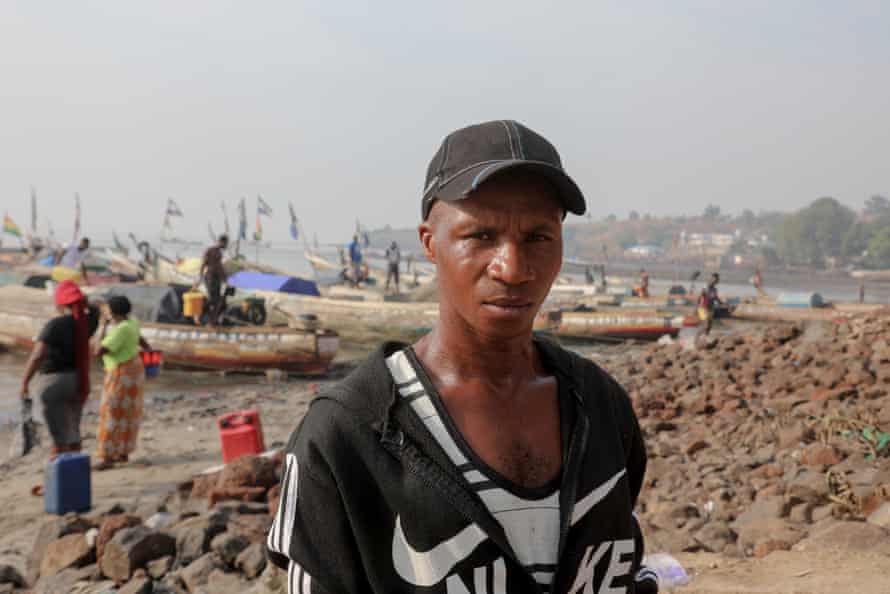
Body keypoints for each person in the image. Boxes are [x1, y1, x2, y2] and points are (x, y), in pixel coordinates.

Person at [266, 120, 656, 594]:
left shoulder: (601, 407)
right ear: (430, 243)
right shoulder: (347, 436)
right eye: (481, 236)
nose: (512, 269)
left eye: (537, 237)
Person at [20, 280, 99, 459]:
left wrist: (25, 382)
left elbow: (37, 356)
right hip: (78, 380)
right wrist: (84, 301)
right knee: (72, 428)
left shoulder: (55, 325)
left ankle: (60, 473)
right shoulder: (86, 323)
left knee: (58, 432)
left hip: (53, 382)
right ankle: (74, 468)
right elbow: (96, 310)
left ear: (60, 303)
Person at [92, 296, 151, 470]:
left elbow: (98, 350)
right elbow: (141, 339)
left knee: (111, 413)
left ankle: (108, 456)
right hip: (134, 368)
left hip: (121, 372)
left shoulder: (120, 330)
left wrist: (102, 326)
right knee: (128, 413)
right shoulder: (131, 321)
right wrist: (148, 349)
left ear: (113, 313)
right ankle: (123, 452)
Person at [197, 234, 228, 325]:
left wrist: (224, 278)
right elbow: (205, 264)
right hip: (211, 278)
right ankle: (200, 316)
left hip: (216, 278)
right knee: (214, 300)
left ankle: (213, 320)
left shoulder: (218, 252)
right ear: (222, 242)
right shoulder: (212, 251)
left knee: (219, 301)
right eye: (226, 244)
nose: (226, 246)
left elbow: (218, 267)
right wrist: (200, 276)